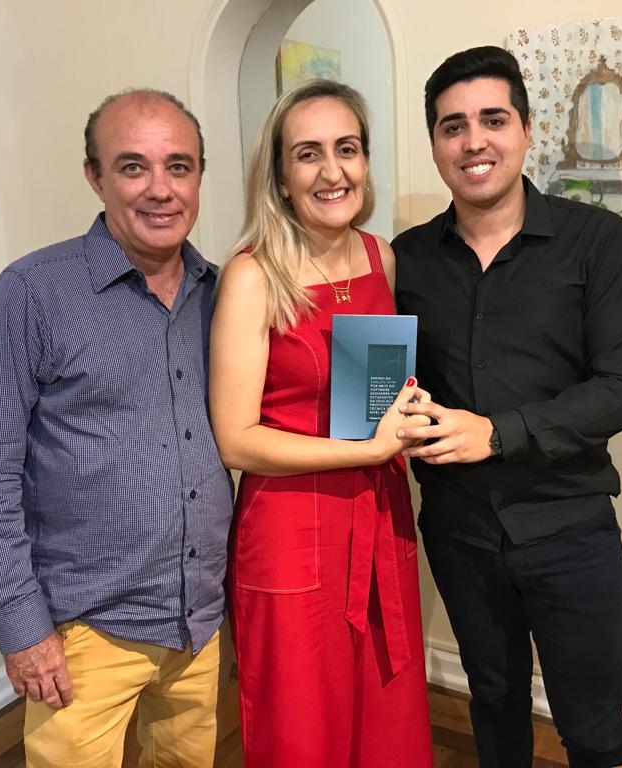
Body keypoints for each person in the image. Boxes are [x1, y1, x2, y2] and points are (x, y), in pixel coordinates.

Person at [393, 47, 622, 768]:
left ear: (527, 129)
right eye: (453, 126)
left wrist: (497, 434)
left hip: (568, 528)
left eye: (493, 119)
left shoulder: (596, 241)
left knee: (593, 731)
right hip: (459, 532)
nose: (473, 141)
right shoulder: (407, 258)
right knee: (493, 702)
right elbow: (394, 381)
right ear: (435, 143)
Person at [0, 89, 232, 768]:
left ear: (200, 175)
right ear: (95, 177)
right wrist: (22, 627)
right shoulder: (32, 293)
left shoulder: (221, 293)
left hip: (198, 619)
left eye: (179, 166)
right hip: (85, 632)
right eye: (133, 167)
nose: (161, 189)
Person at [209, 79, 433, 767]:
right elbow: (235, 439)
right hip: (292, 531)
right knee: (303, 728)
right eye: (308, 154)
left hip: (379, 514)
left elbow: (374, 395)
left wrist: (406, 417)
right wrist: (366, 449)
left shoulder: (380, 256)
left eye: (347, 149)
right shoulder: (253, 276)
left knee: (385, 719)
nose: (332, 171)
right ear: (281, 176)